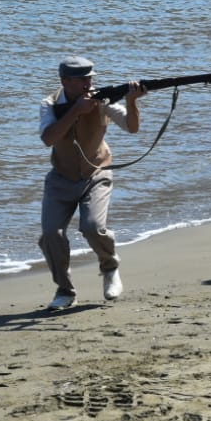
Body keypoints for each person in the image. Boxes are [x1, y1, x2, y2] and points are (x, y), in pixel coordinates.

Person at [38, 57, 141, 309]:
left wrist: (132, 101)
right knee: (51, 234)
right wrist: (75, 111)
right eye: (82, 79)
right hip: (61, 178)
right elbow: (48, 139)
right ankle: (65, 290)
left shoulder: (102, 99)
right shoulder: (50, 104)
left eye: (90, 78)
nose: (88, 83)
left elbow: (132, 127)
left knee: (93, 227)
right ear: (65, 81)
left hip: (96, 173)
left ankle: (110, 267)